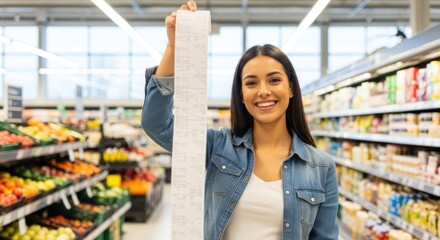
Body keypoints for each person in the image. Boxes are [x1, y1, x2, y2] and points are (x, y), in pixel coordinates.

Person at [141, 1, 339, 239]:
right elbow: (157, 125)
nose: (263, 91)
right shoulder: (219, 148)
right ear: (242, 95)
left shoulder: (321, 167)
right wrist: (174, 47)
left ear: (291, 89)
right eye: (251, 83)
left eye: (274, 80)